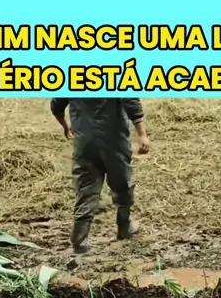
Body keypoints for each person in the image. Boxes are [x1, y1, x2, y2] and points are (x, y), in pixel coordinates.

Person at [50, 98, 149, 253]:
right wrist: (142, 134)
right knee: (122, 180)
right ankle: (124, 225)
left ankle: (80, 238)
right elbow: (130, 100)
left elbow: (56, 104)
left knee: (85, 185)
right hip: (114, 138)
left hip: (85, 140)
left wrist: (65, 125)